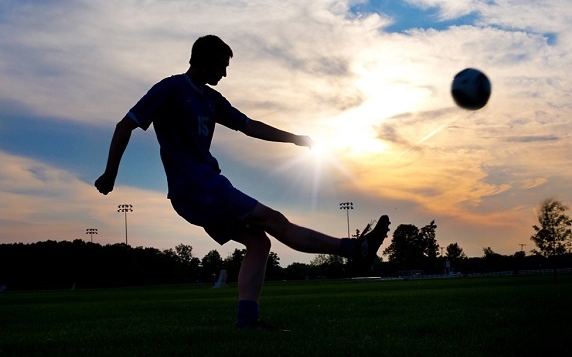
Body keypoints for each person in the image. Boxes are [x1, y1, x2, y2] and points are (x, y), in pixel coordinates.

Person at [95, 35, 390, 329]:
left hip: (196, 193)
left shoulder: (212, 99)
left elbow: (248, 126)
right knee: (274, 220)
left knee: (259, 242)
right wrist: (111, 173)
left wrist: (294, 138)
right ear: (204, 60)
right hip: (199, 187)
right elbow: (126, 124)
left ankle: (247, 321)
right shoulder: (170, 89)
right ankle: (354, 250)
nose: (224, 73)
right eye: (221, 66)